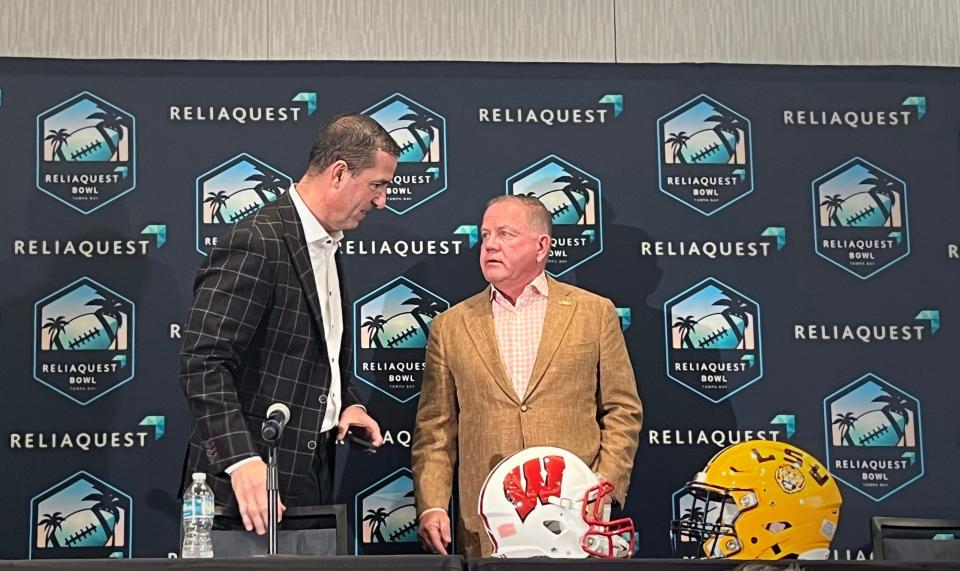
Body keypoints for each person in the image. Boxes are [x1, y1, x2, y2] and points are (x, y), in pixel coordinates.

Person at [179, 114, 400, 535]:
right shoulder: (258, 242)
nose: (382, 201)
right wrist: (241, 461)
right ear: (339, 173)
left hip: (309, 475)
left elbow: (317, 351)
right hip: (244, 486)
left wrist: (345, 403)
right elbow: (202, 362)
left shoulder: (327, 243)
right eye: (377, 184)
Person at [411, 194, 644, 557]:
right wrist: (432, 504)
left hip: (579, 523)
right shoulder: (451, 326)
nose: (490, 245)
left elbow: (622, 410)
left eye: (505, 234)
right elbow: (435, 430)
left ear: (541, 246)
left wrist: (604, 488)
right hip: (489, 528)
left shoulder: (594, 313)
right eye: (486, 235)